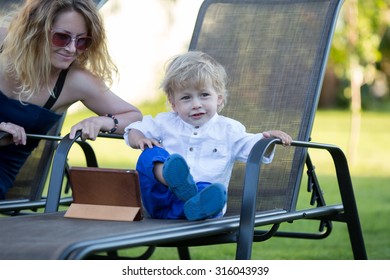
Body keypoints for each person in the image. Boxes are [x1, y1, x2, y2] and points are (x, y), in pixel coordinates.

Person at [124, 51, 292, 221]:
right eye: (186, 98)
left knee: (212, 191)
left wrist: (270, 139)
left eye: (204, 95)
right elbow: (134, 129)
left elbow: (252, 147)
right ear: (173, 103)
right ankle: (171, 177)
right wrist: (139, 139)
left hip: (198, 201)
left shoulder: (229, 130)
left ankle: (195, 206)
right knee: (149, 153)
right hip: (160, 199)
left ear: (219, 98)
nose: (196, 104)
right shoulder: (164, 122)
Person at [0, 0, 142, 199]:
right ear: (36, 30)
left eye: (82, 41)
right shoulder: (3, 42)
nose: (72, 49)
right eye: (62, 38)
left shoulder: (74, 81)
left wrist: (101, 121)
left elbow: (135, 116)